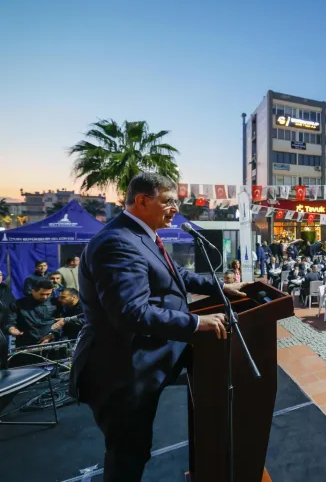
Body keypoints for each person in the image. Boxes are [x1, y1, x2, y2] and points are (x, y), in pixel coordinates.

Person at [68, 173, 249, 481]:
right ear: (141, 200)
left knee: (133, 450)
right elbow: (130, 312)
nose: (175, 209)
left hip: (143, 362)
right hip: (121, 371)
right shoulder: (117, 243)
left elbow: (176, 275)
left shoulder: (141, 235)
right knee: (127, 456)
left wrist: (220, 287)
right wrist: (196, 322)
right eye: (168, 201)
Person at [5, 279, 60, 347]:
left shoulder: (55, 303)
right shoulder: (18, 304)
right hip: (26, 343)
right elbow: (9, 321)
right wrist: (11, 329)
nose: (45, 297)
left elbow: (61, 322)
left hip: (51, 344)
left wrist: (52, 335)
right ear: (33, 291)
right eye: (42, 294)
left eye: (48, 294)